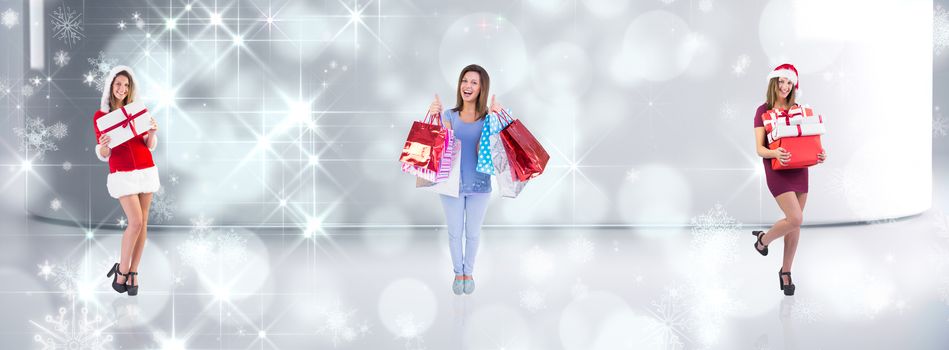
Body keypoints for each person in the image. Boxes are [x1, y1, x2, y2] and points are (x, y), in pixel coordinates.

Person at [427, 64, 504, 295]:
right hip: (451, 186)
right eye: (464, 81)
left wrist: (497, 118)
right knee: (453, 232)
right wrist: (435, 118)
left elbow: (497, 148)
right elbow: (442, 144)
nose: (467, 86)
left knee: (472, 233)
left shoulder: (487, 117)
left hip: (480, 186)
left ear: (482, 88)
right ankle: (457, 273)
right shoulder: (449, 115)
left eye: (474, 82)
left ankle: (468, 273)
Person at [751, 63, 827, 296]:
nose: (784, 86)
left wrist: (819, 154)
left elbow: (810, 140)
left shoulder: (799, 110)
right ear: (774, 82)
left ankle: (786, 272)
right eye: (781, 81)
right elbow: (760, 149)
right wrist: (775, 153)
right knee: (795, 218)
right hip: (777, 169)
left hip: (800, 168)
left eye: (789, 82)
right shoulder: (762, 111)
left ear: (794, 86)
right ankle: (763, 240)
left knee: (796, 223)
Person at [94, 66, 160, 297]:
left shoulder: (138, 111)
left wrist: (152, 132)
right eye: (118, 84)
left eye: (126, 85)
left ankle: (133, 273)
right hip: (122, 172)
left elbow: (148, 144)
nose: (122, 89)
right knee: (135, 222)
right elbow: (104, 153)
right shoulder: (101, 117)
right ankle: (121, 270)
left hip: (146, 168)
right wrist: (103, 146)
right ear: (111, 86)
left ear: (131, 89)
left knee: (143, 223)